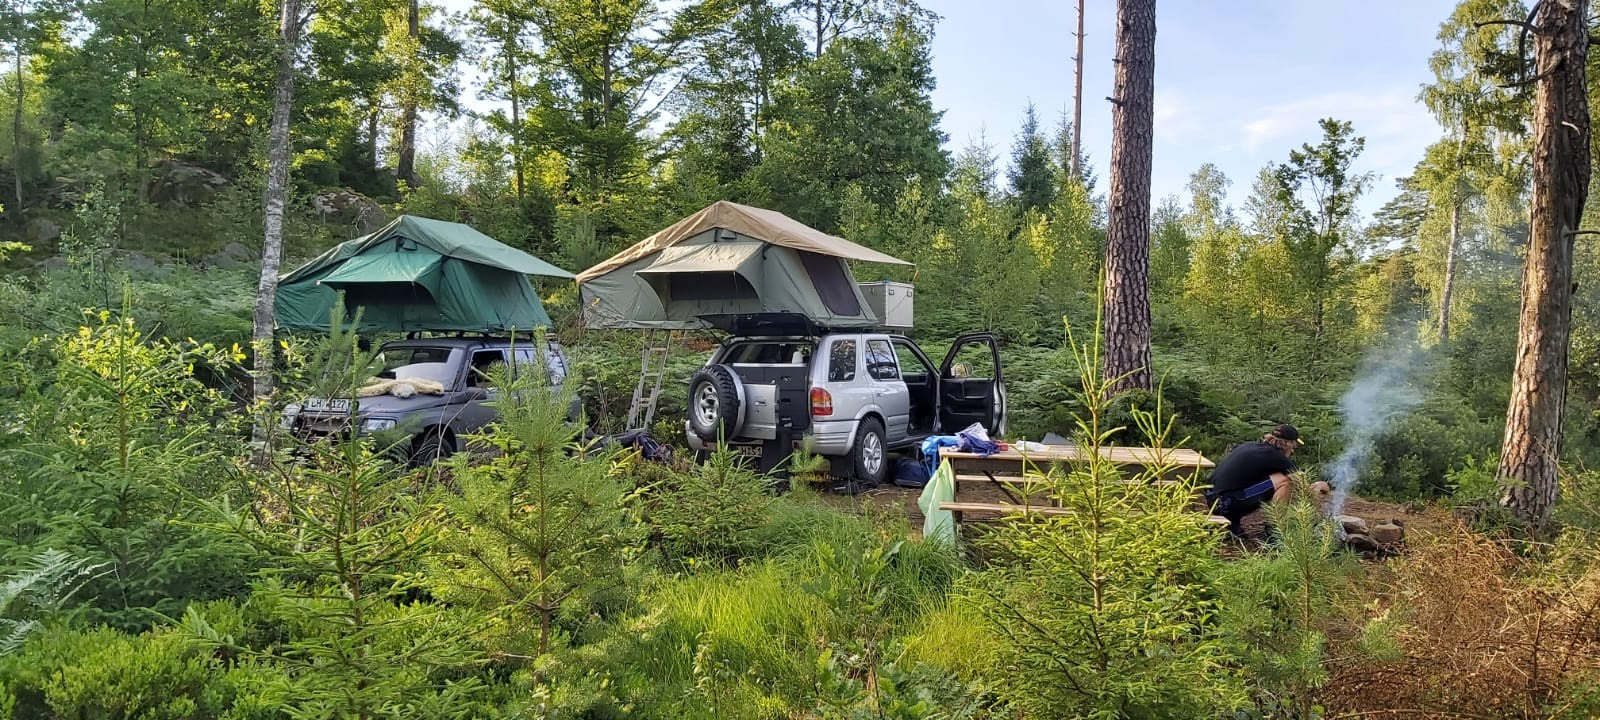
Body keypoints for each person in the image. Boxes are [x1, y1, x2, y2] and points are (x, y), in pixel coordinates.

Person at [1204, 424, 1331, 538]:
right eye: (1293, 446)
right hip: (1226, 503)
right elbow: (1302, 484)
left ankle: (1232, 523)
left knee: (1271, 479)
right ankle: (1275, 528)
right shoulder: (1276, 457)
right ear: (1287, 444)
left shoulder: (1250, 446)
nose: (1293, 450)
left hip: (1212, 498)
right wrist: (1319, 486)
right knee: (1284, 481)